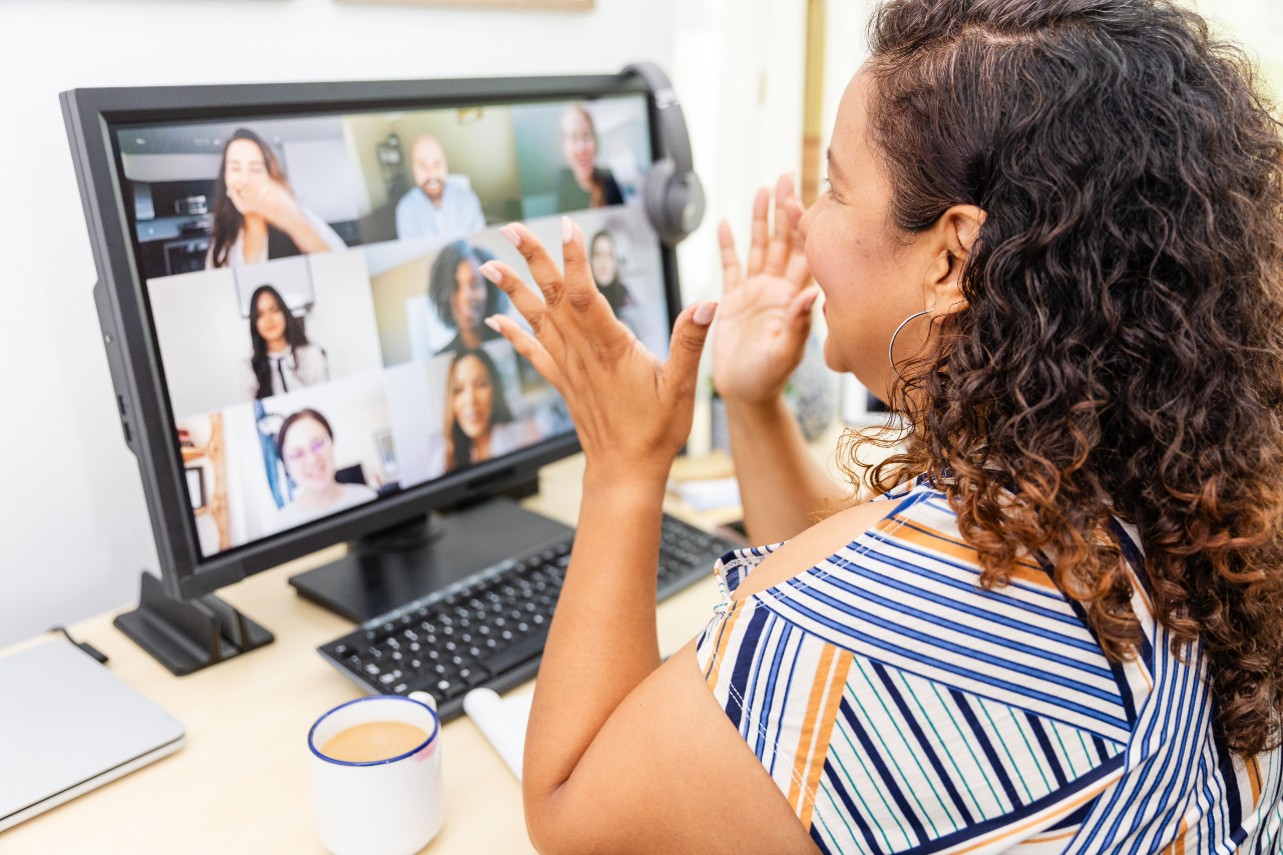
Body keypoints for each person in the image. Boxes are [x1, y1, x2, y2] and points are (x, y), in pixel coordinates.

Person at [474, 1, 1283, 852]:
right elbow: (876, 593)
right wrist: (751, 402)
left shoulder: (839, 636)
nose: (806, 223)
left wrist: (625, 463)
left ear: (950, 258)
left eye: (832, 187)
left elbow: (571, 814)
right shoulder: (1185, 495)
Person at [206, 128, 346, 268]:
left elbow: (345, 269)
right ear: (225, 177)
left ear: (269, 177)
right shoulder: (221, 244)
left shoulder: (301, 220)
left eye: (255, 169)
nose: (244, 180)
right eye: (235, 168)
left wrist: (293, 223)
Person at [274, 408, 376, 528]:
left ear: (331, 443)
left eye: (318, 444)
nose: (312, 459)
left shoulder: (366, 497)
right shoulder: (281, 525)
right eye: (297, 454)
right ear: (287, 467)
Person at [441, 347, 530, 471]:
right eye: (459, 389)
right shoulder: (441, 461)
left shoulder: (524, 437)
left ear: (495, 390)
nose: (471, 400)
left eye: (480, 384)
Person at [395, 134, 486, 242]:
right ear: (413, 170)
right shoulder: (406, 209)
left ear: (445, 166)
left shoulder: (468, 200)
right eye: (423, 166)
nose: (432, 174)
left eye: (437, 164)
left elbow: (479, 243)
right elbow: (410, 252)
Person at [244, 285, 328, 399]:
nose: (269, 320)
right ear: (254, 322)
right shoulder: (249, 368)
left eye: (274, 310)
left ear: (284, 313)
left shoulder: (310, 354)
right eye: (260, 315)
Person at [588, 228, 664, 355]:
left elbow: (642, 346)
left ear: (616, 260)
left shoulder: (627, 298)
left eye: (609, 255)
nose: (604, 263)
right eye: (598, 255)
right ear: (590, 259)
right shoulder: (584, 299)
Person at [428, 240, 505, 356]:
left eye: (475, 284)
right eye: (455, 286)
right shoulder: (441, 356)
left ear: (489, 288)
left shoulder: (514, 337)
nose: (467, 297)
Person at [556, 104, 623, 211]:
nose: (581, 148)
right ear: (564, 147)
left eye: (586, 135)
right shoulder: (564, 180)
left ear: (595, 141)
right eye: (573, 138)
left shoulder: (608, 177)